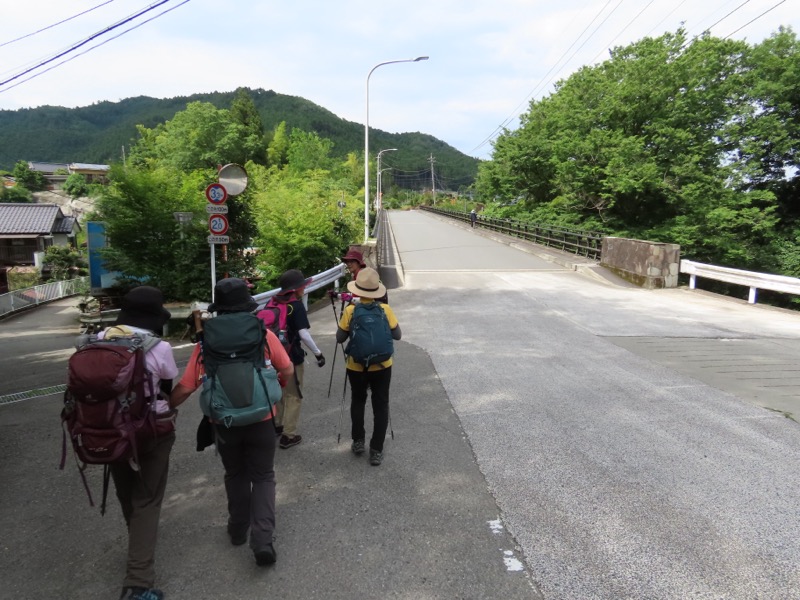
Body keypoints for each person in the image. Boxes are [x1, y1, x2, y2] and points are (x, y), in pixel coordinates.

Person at [170, 278, 294, 567]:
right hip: (262, 417)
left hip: (224, 422)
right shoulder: (263, 335)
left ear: (219, 309)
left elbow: (187, 386)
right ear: (247, 306)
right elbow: (286, 368)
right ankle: (263, 539)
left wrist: (165, 407)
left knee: (236, 474)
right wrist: (277, 384)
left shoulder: (206, 342)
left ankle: (238, 529)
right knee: (263, 476)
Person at [103, 286, 178, 600]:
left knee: (127, 491)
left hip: (106, 431)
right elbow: (167, 385)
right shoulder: (157, 346)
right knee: (146, 500)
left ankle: (139, 549)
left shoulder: (98, 339)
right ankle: (137, 584)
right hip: (150, 432)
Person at [336, 267, 402, 466]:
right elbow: (397, 335)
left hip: (356, 366)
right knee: (380, 405)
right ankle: (376, 450)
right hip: (383, 366)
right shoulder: (385, 310)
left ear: (357, 290)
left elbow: (340, 338)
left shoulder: (350, 310)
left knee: (358, 400)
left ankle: (358, 441)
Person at [272, 269, 325, 449]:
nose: (304, 288)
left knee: (277, 391)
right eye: (302, 285)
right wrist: (318, 353)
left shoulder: (273, 302)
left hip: (272, 356)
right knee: (294, 395)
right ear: (295, 289)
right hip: (291, 356)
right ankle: (289, 435)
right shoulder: (296, 306)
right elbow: (304, 334)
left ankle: (277, 425)